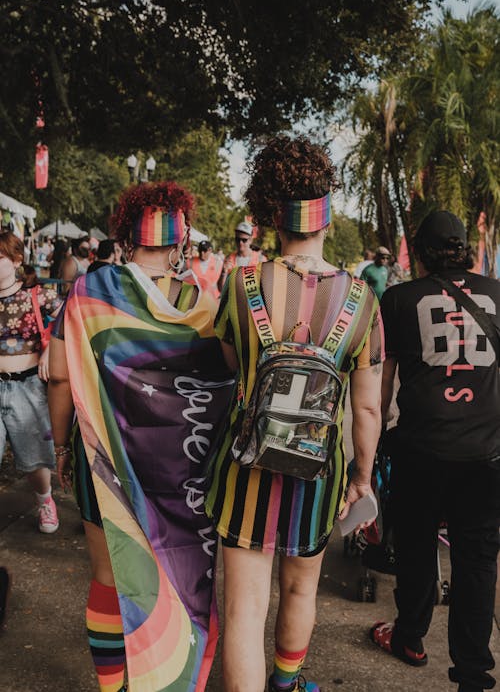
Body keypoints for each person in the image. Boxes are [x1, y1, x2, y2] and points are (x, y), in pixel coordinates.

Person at [205, 136, 384, 692]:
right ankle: (286, 685)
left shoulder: (240, 285)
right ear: (325, 222)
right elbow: (368, 406)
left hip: (245, 469)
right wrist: (360, 477)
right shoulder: (362, 301)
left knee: (242, 611)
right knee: (301, 590)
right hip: (319, 473)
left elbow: (231, 365)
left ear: (272, 220)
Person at [48, 181, 234, 692]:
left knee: (109, 582)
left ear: (126, 238)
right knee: (178, 576)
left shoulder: (89, 292)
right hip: (184, 469)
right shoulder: (207, 307)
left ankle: (113, 688)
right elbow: (225, 385)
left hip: (104, 458)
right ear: (180, 243)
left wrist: (62, 446)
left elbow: (61, 377)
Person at [370, 211, 500, 692]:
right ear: (465, 247)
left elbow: (381, 385)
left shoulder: (399, 298)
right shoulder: (499, 294)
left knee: (417, 546)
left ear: (420, 253)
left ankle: (409, 638)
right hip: (486, 452)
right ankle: (472, 674)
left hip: (421, 447)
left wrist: (372, 443)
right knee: (478, 558)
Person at [0, 231, 62, 534]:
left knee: (34, 456)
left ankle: (45, 500)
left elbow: (69, 321)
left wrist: (50, 348)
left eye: (0, 258)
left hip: (28, 386)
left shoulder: (38, 296)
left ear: (16, 260)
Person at [219, 220, 267, 290]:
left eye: (244, 240)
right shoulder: (229, 258)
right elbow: (221, 289)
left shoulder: (261, 259)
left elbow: (266, 288)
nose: (240, 243)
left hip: (254, 300)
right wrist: (224, 273)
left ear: (250, 240)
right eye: (237, 239)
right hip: (233, 300)